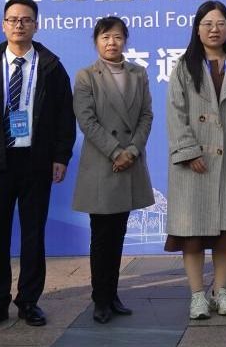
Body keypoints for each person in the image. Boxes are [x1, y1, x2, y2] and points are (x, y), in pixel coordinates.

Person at [0, 0, 75, 330]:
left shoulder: (51, 67)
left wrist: (61, 156)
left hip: (35, 162)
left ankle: (29, 301)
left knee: (33, 235)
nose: (19, 25)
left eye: (26, 20)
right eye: (12, 19)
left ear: (36, 26)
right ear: (3, 25)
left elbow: (64, 116)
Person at [165, 0, 226, 321]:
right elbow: (175, 113)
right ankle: (197, 295)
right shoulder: (184, 66)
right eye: (208, 24)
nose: (214, 29)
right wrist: (189, 151)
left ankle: (221, 291)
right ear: (197, 29)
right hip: (193, 166)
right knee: (192, 234)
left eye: (221, 23)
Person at [71, 16, 155, 323]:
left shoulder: (138, 73)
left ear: (125, 40)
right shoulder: (86, 76)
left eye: (117, 37)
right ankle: (100, 299)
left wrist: (132, 151)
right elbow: (86, 120)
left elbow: (146, 115)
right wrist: (116, 151)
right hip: (103, 166)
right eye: (105, 37)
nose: (111, 42)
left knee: (118, 233)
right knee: (101, 235)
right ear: (96, 41)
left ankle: (113, 293)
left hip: (129, 164)